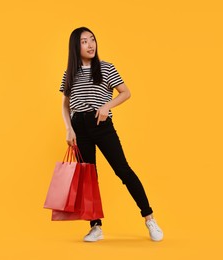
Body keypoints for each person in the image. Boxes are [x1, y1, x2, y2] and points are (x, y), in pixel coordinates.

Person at [59, 27, 163, 242]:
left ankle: (149, 218)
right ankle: (95, 226)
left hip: (101, 125)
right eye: (84, 41)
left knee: (123, 170)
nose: (90, 45)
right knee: (89, 178)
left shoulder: (106, 68)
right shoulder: (70, 74)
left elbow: (126, 92)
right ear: (75, 47)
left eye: (92, 40)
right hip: (80, 127)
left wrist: (107, 105)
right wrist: (69, 129)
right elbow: (65, 105)